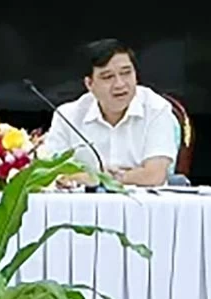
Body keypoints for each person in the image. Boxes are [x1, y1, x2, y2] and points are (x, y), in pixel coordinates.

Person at [39, 39, 180, 188]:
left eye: (126, 73)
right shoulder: (67, 116)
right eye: (108, 77)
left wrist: (101, 177)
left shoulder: (157, 109)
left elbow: (154, 176)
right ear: (89, 84)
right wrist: (129, 175)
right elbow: (51, 172)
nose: (120, 84)